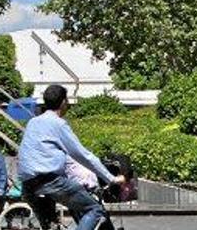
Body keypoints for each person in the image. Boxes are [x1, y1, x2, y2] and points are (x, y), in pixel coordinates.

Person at [17, 85, 126, 230]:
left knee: (50, 226)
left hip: (28, 186)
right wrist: (111, 178)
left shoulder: (33, 122)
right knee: (94, 210)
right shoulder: (58, 124)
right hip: (50, 182)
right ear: (63, 102)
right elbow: (83, 155)